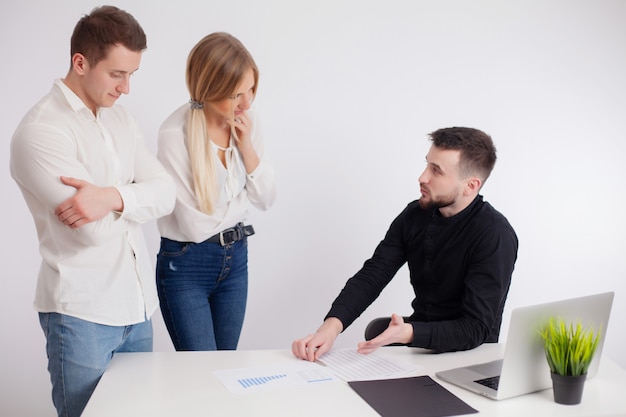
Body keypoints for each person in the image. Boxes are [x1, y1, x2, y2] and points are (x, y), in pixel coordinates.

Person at [9, 6, 175, 416]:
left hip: (137, 309)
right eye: (117, 74)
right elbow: (91, 232)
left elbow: (167, 194)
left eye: (132, 74)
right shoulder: (40, 132)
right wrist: (134, 195)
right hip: (81, 316)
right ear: (80, 63)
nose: (127, 88)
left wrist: (111, 198)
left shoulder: (122, 121)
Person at [292, 127, 518, 361]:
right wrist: (330, 328)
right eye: (427, 164)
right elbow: (373, 274)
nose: (422, 177)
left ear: (471, 186)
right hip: (419, 352)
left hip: (470, 357)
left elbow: (475, 328)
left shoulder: (495, 234)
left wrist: (408, 333)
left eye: (436, 171)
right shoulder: (415, 215)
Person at [155, 32, 277, 351]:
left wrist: (246, 146)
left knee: (225, 367)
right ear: (210, 91)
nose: (248, 103)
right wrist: (238, 208)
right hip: (186, 265)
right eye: (237, 95)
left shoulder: (247, 122)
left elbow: (265, 198)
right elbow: (195, 226)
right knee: (201, 374)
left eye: (251, 88)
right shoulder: (173, 134)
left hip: (236, 260)